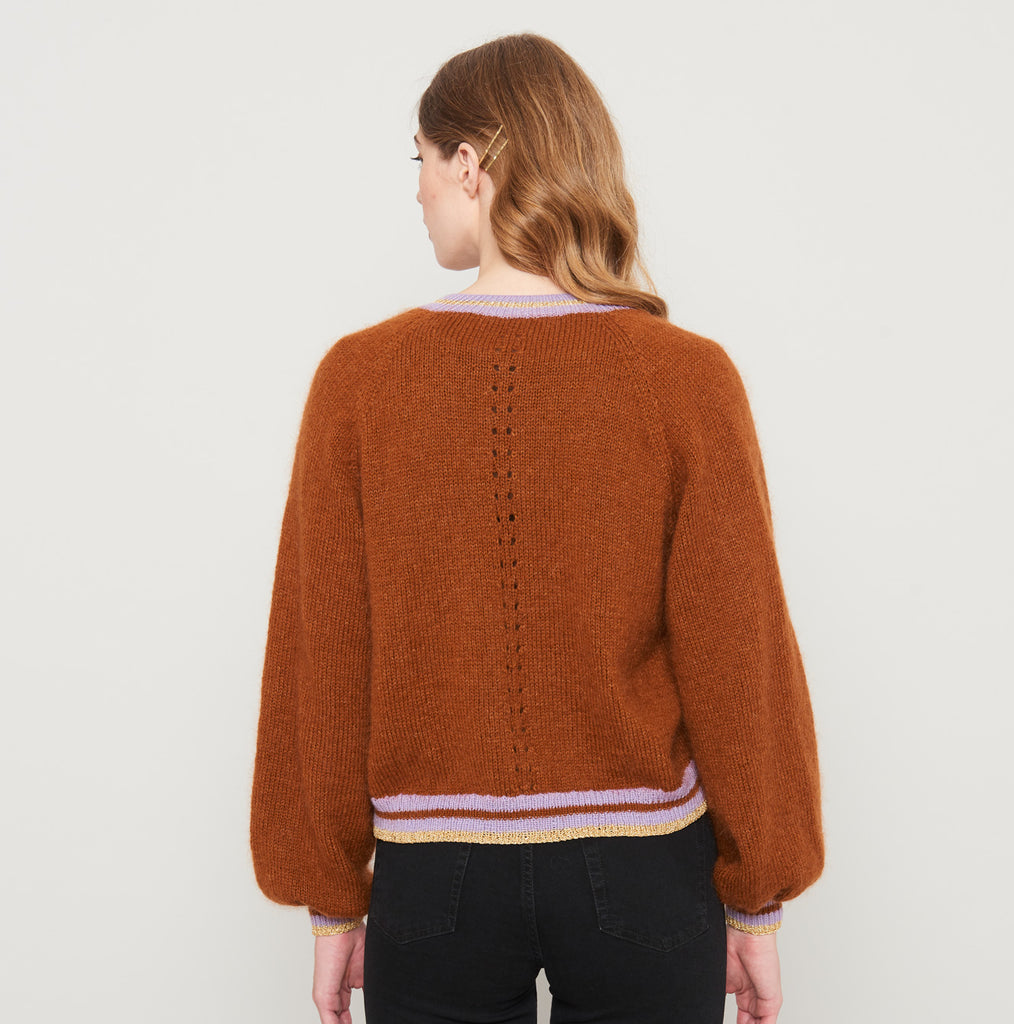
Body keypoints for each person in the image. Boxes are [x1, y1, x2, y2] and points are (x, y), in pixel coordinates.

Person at [249, 31, 825, 1024]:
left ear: (469, 163)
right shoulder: (688, 379)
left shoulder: (358, 381)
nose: (416, 190)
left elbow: (324, 657)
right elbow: (741, 658)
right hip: (643, 868)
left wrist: (332, 902)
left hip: (434, 876)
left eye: (421, 160)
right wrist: (756, 899)